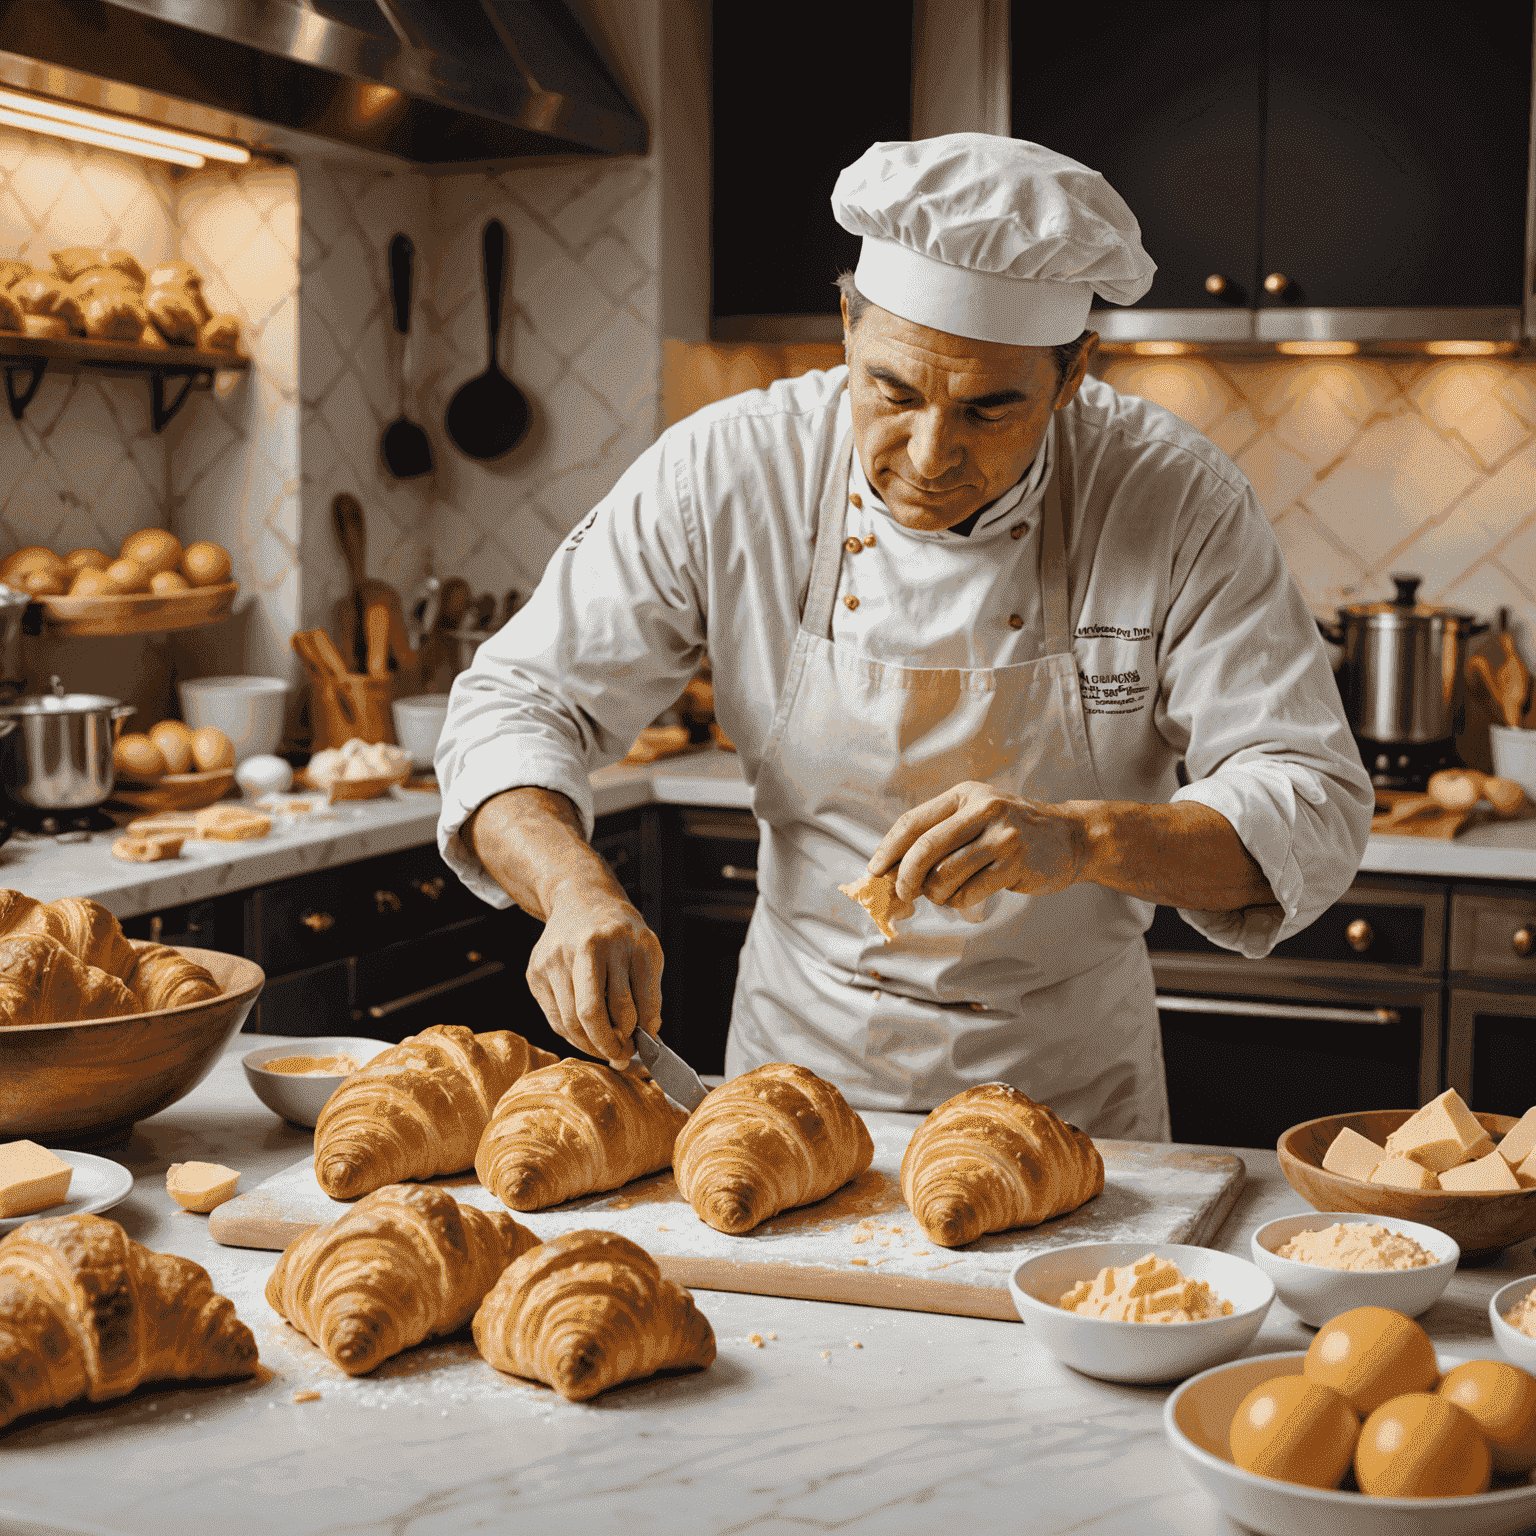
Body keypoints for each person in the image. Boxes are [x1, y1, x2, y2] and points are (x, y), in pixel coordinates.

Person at [436, 133, 1373, 1140]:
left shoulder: (1173, 498)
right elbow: (517, 701)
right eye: (893, 391)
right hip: (797, 1078)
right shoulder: (727, 470)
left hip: (1068, 1098)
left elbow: (1307, 802)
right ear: (845, 325)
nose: (929, 455)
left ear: (1072, 375)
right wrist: (573, 889)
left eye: (990, 408)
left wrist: (1081, 836)